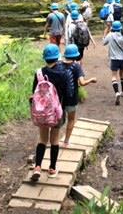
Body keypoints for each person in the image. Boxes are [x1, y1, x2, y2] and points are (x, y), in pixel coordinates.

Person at [30, 44, 73, 181]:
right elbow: (68, 94)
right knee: (54, 140)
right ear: (58, 57)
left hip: (42, 112)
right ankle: (52, 168)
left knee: (42, 139)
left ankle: (37, 167)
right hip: (56, 111)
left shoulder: (39, 73)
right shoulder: (64, 73)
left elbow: (34, 93)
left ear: (45, 58)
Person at [61, 44, 97, 147]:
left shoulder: (59, 65)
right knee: (71, 119)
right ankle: (66, 142)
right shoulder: (76, 66)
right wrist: (91, 80)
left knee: (58, 119)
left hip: (60, 98)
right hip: (72, 98)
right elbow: (82, 83)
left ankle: (54, 140)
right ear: (76, 55)